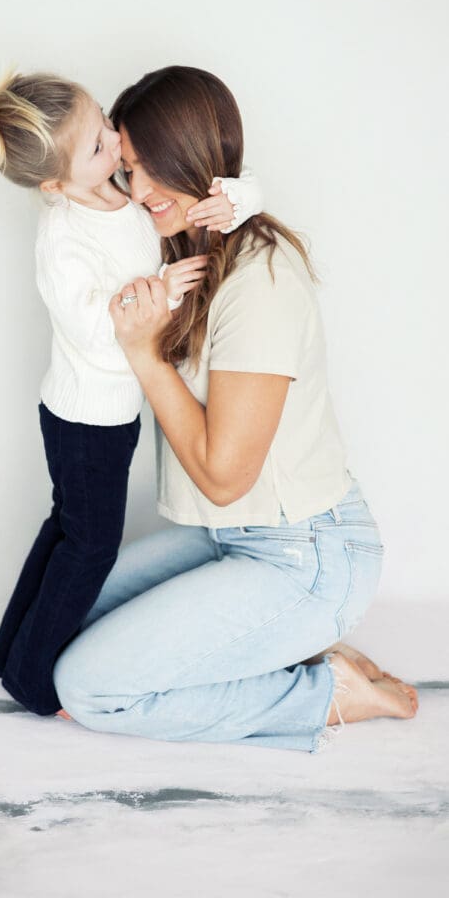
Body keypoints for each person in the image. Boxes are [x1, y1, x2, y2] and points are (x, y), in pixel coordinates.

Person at [52, 65, 418, 751]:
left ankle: (326, 691)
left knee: (88, 688)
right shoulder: (186, 251)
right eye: (128, 168)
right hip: (226, 537)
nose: (139, 191)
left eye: (153, 167)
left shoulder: (260, 281)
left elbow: (225, 478)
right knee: (57, 618)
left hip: (306, 555)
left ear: (197, 156)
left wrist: (144, 354)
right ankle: (282, 646)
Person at [0, 71, 264, 715]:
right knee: (90, 547)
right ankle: (33, 683)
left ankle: (9, 654)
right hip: (85, 419)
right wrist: (162, 292)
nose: (117, 143)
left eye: (106, 123)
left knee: (66, 528)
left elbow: (235, 191)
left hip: (107, 413)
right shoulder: (63, 236)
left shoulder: (123, 192)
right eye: (98, 146)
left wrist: (236, 201)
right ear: (55, 185)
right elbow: (94, 330)